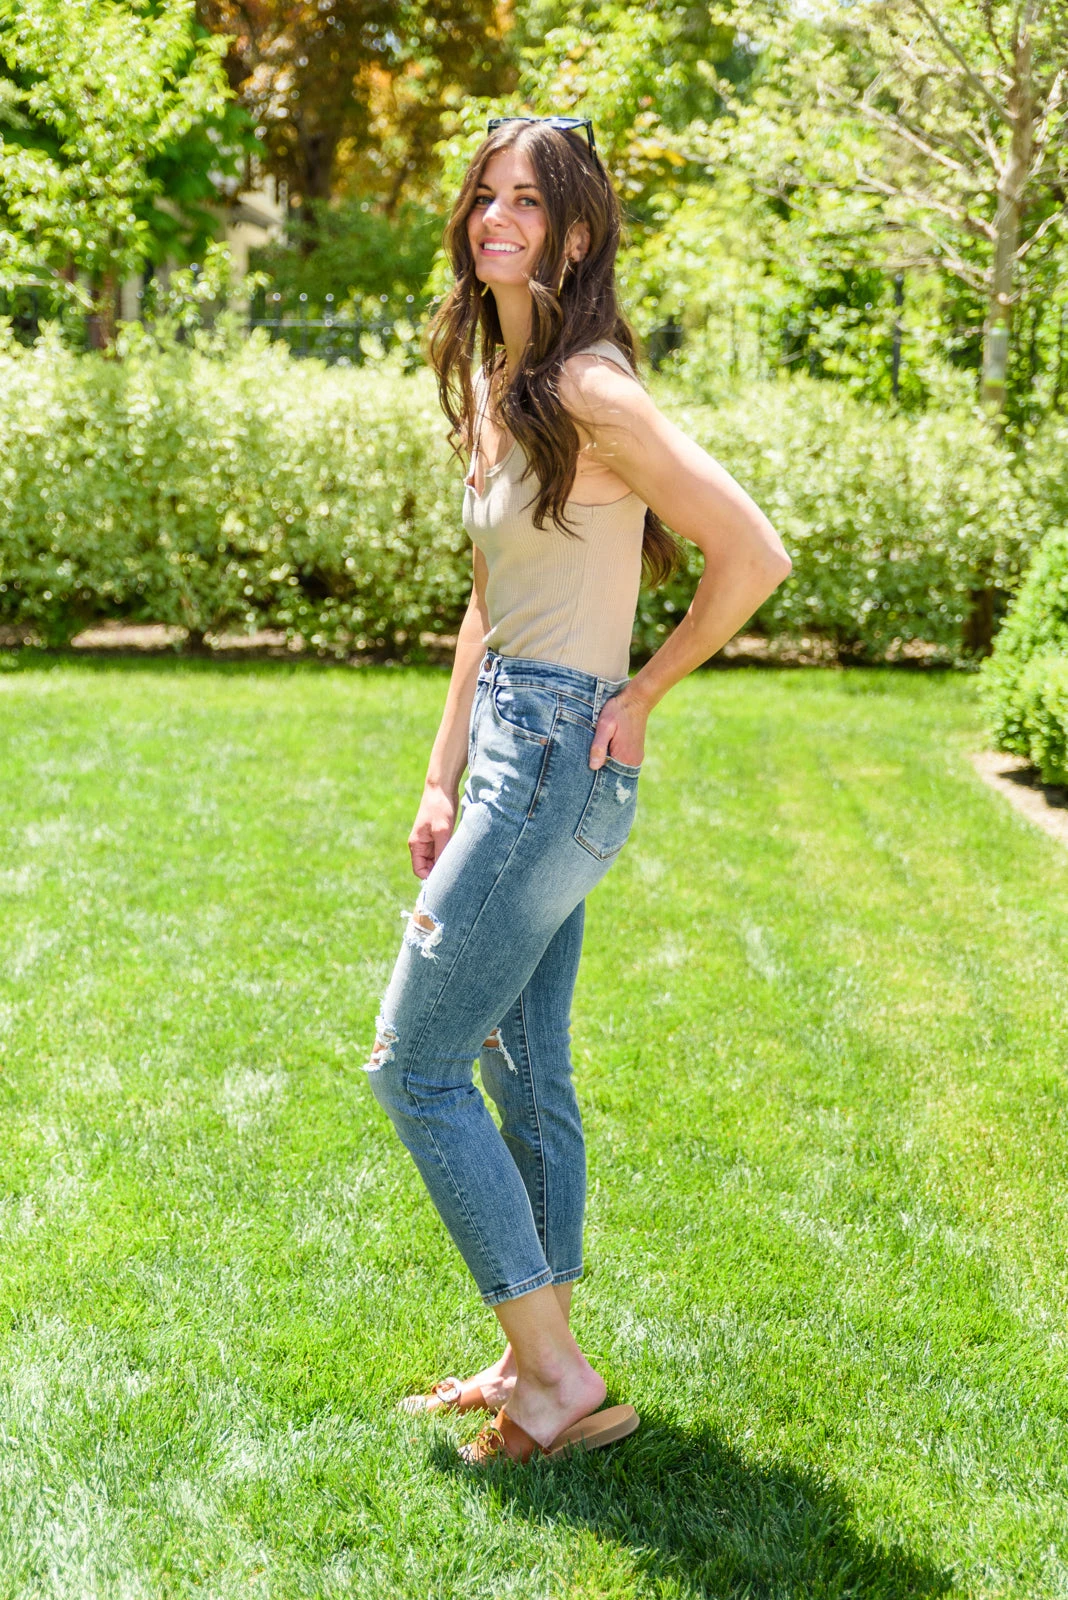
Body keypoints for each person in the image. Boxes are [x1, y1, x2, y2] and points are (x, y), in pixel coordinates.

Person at [364, 114, 792, 1466]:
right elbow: (488, 601)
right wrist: (439, 776)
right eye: (484, 194)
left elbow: (753, 553)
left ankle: (556, 1380)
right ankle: (529, 1360)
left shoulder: (592, 387)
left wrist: (644, 692)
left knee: (415, 1066)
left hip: (560, 753)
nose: (497, 217)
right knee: (520, 1061)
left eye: (530, 201)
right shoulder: (506, 382)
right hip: (510, 746)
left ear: (580, 231)